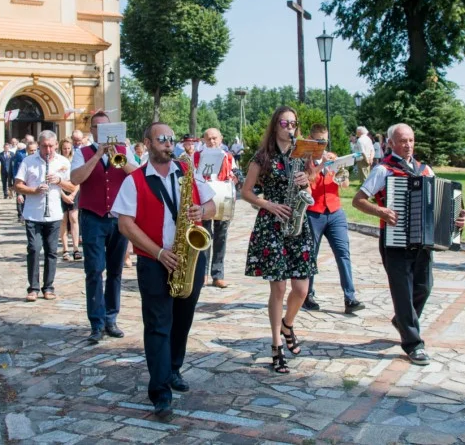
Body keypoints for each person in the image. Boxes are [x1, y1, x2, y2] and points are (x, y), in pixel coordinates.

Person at [113, 121, 216, 416]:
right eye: (161, 139)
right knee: (158, 324)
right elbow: (124, 224)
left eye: (171, 139)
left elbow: (212, 205)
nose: (168, 144)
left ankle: (172, 368)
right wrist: (158, 253)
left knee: (183, 318)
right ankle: (160, 391)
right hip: (153, 260)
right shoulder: (134, 180)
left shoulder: (187, 172)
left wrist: (201, 211)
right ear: (147, 143)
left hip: (189, 258)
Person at [352, 123, 465, 365]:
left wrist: (458, 219)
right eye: (403, 141)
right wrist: (381, 211)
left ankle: (402, 321)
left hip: (423, 242)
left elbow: (445, 205)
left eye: (411, 140)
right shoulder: (384, 170)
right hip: (394, 241)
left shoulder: (426, 171)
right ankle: (413, 344)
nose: (408, 145)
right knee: (402, 293)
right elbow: (358, 200)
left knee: (424, 287)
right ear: (391, 143)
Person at [241, 106, 317, 374]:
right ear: (275, 126)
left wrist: (306, 181)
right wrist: (269, 205)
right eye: (284, 122)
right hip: (272, 226)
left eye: (293, 123)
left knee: (302, 289)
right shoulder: (262, 157)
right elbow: (246, 192)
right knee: (279, 289)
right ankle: (276, 346)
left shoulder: (302, 155)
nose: (289, 127)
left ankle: (288, 324)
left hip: (297, 226)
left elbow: (312, 185)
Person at [70, 111, 139, 344]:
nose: (102, 132)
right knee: (94, 271)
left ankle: (111, 318)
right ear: (92, 131)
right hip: (93, 218)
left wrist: (117, 155)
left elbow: (137, 175)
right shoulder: (82, 153)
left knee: (116, 271)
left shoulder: (124, 151)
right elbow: (76, 179)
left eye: (107, 128)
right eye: (98, 128)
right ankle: (96, 322)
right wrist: (98, 154)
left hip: (118, 218)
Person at [301, 124, 365, 314]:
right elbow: (308, 182)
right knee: (311, 255)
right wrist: (322, 166)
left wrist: (340, 171)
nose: (322, 144)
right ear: (311, 140)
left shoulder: (334, 158)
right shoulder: (305, 161)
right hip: (314, 212)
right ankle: (307, 295)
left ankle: (350, 297)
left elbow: (344, 185)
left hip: (335, 211)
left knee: (343, 253)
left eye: (325, 140)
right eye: (319, 141)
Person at [14, 130, 74, 302]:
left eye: (51, 146)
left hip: (54, 214)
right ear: (39, 145)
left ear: (56, 145)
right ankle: (33, 288)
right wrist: (34, 190)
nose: (48, 150)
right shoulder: (28, 161)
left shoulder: (62, 162)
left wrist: (59, 181)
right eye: (44, 146)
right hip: (33, 213)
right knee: (33, 249)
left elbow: (71, 187)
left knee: (51, 251)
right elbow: (17, 185)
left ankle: (48, 287)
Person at [195, 127, 237, 288]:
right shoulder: (197, 156)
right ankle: (202, 273)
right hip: (203, 201)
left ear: (221, 139)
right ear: (204, 140)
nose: (212, 141)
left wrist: (234, 179)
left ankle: (218, 274)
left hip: (222, 200)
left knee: (221, 237)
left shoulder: (228, 157)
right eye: (208, 138)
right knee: (204, 237)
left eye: (215, 138)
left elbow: (235, 174)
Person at [59, 138, 82, 262]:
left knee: (74, 218)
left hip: (74, 189)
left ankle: (76, 248)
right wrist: (63, 195)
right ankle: (65, 249)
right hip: (61, 190)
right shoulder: (57, 160)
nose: (66, 150)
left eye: (68, 148)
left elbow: (78, 178)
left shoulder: (75, 160)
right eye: (64, 148)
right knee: (63, 220)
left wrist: (73, 194)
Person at [12, 140, 30, 222]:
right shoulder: (19, 154)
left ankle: (26, 214)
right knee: (20, 197)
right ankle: (20, 214)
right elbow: (14, 167)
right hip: (20, 178)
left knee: (27, 198)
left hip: (30, 180)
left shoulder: (38, 154)